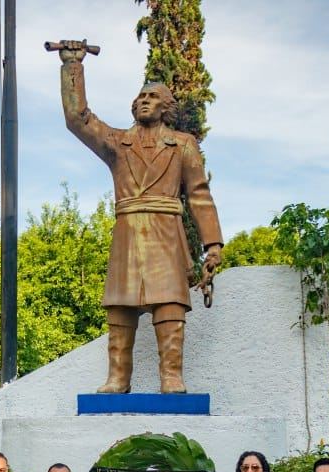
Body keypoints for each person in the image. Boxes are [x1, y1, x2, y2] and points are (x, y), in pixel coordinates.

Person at [54, 40, 223, 394]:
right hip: (129, 233)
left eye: (153, 97)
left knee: (170, 306)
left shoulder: (183, 144)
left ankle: (171, 376)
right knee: (119, 308)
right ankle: (118, 378)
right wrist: (73, 65)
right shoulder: (117, 142)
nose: (144, 100)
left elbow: (199, 195)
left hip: (165, 233)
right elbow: (77, 118)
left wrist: (213, 244)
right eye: (141, 97)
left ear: (166, 108)